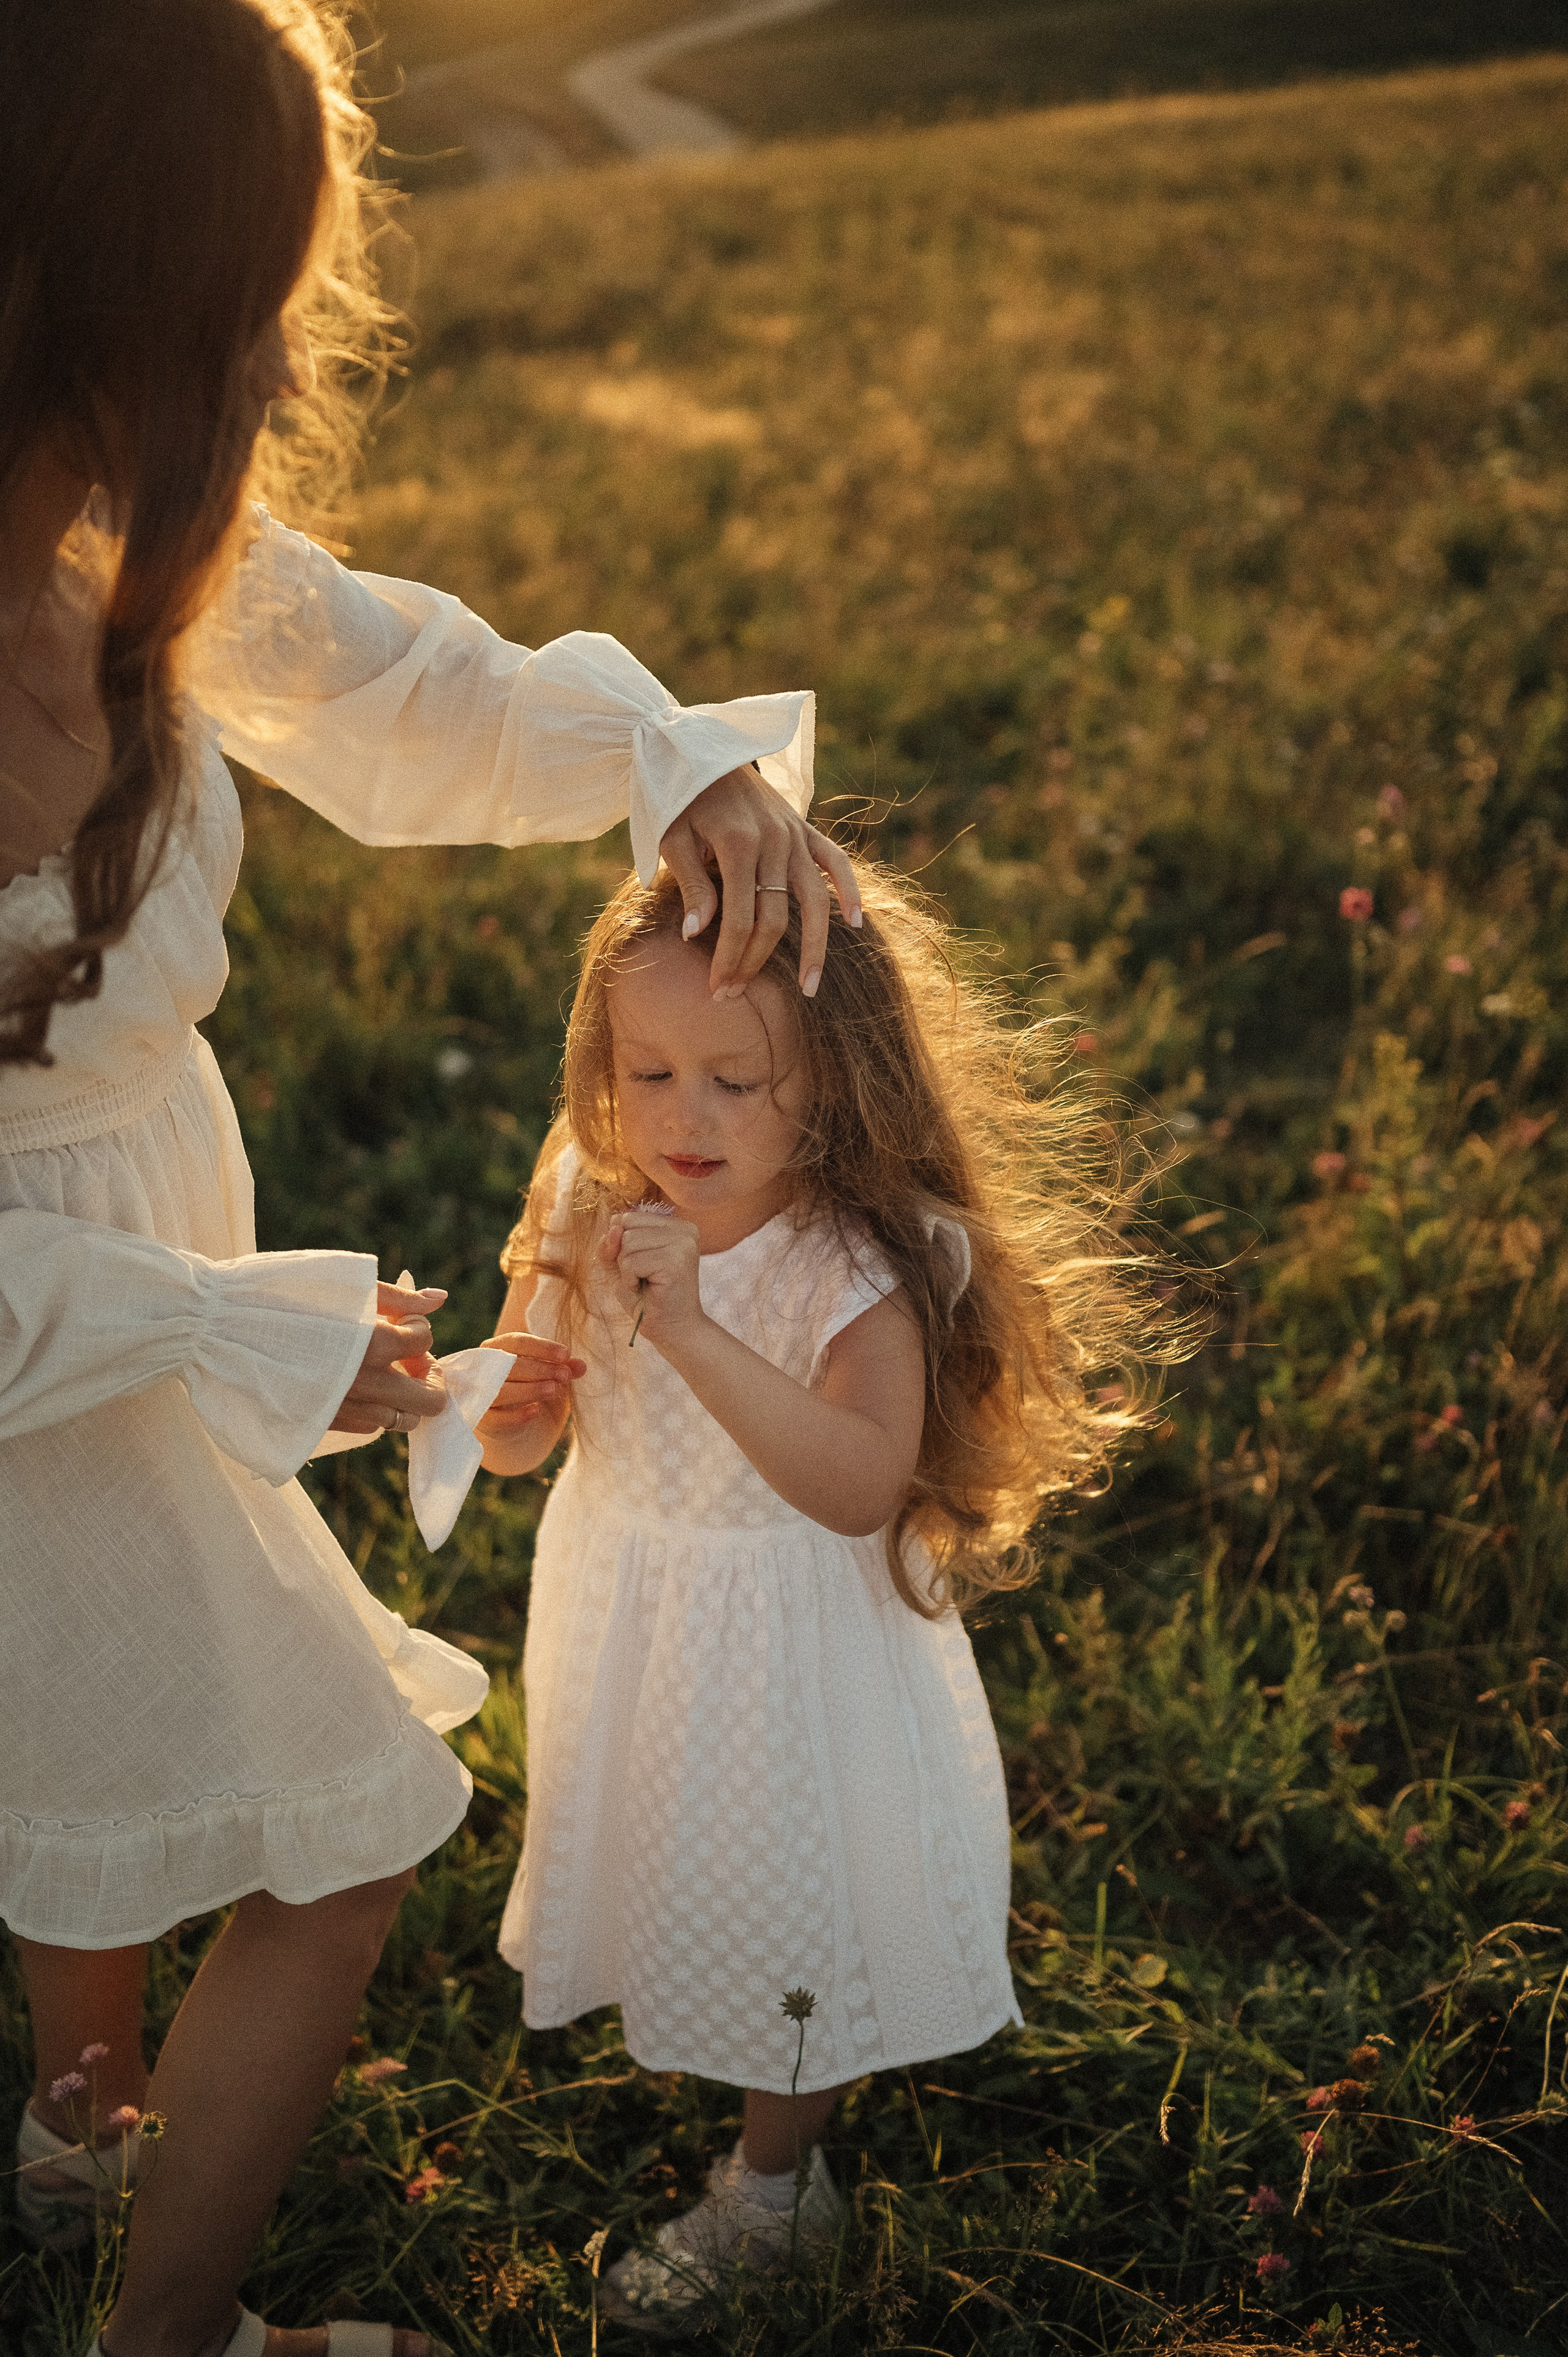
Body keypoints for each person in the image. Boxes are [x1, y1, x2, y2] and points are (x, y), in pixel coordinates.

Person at [0, 3, 858, 2352]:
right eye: (239, 312)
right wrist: (222, 1328)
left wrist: (671, 759)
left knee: (78, 1717)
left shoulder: (132, 552)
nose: (284, 373)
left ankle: (84, 2128)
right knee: (351, 1825)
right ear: (90, 307)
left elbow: (409, 694)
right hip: (48, 1344)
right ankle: (172, 2333)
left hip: (130, 1264)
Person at [475, 864, 1179, 2331]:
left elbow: (858, 1482)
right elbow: (520, 1420)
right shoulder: (587, 1194)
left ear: (834, 1082)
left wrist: (687, 1330)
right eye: (647, 1073)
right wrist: (511, 1405)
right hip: (632, 1606)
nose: (684, 1117)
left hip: (786, 1648)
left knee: (787, 1900)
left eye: (736, 1081)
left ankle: (775, 2187)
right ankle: (697, 2012)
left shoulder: (847, 1262)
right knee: (675, 1848)